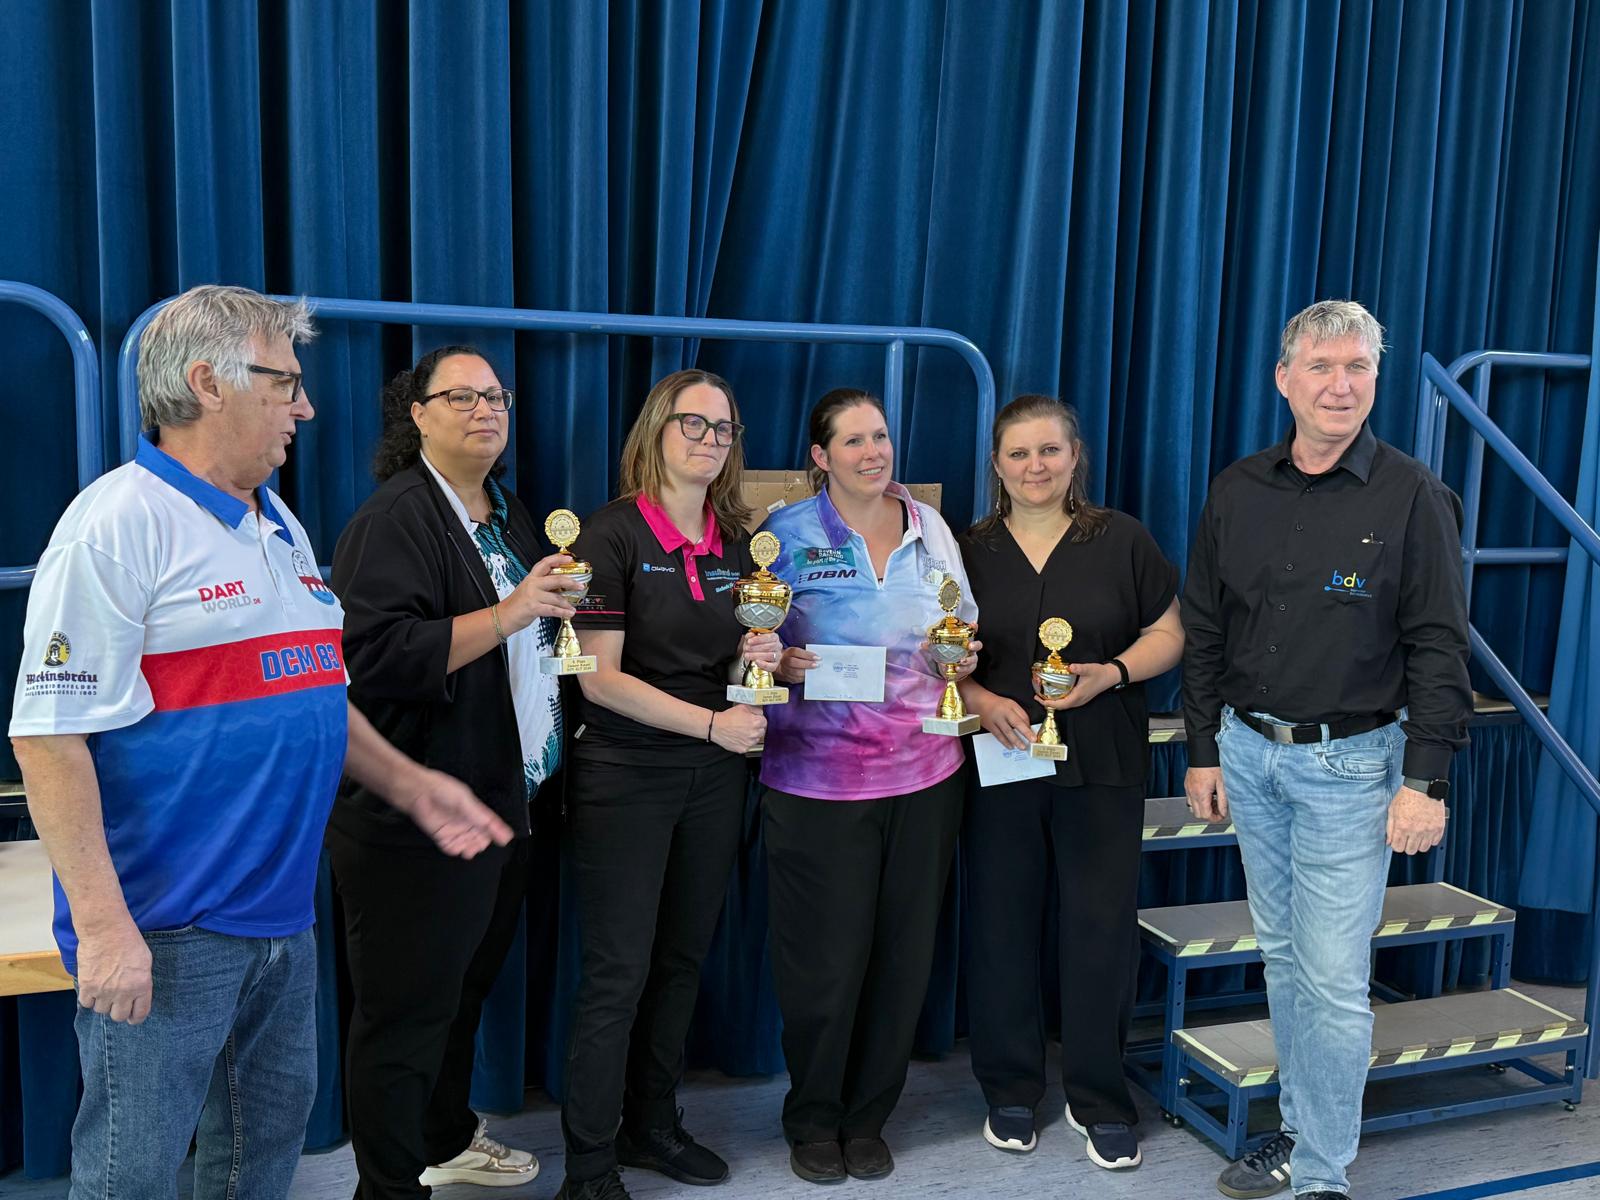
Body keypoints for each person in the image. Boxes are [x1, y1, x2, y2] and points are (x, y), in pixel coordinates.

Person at [8, 286, 510, 1200]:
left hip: (282, 915)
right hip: (167, 927)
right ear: (208, 383)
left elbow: (315, 694)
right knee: (131, 1176)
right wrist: (108, 929)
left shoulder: (278, 526)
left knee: (262, 1152)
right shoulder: (116, 525)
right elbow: (48, 739)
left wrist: (411, 784)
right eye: (285, 384)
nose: (305, 408)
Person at [1181, 300, 1471, 1200]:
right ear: (1285, 378)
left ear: (1375, 380)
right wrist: (1202, 748)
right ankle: (1301, 1130)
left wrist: (1425, 779)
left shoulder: (1413, 495)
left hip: (1352, 768)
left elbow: (1439, 646)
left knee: (1335, 981)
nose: (1340, 386)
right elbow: (1205, 627)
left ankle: (1320, 1175)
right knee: (1282, 960)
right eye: (1321, 366)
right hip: (1248, 754)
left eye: (1358, 368)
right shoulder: (1237, 489)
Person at [328, 346, 578, 1197]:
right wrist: (510, 613)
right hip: (415, 820)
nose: (485, 409)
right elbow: (370, 656)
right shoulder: (394, 518)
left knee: (461, 995)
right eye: (461, 396)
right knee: (403, 1020)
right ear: (417, 414)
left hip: (503, 804)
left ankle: (444, 1139)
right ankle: (388, 1189)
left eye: (495, 396)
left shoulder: (508, 512)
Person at [556, 369, 777, 1200]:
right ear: (656, 428)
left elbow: (727, 663)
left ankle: (651, 1127)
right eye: (694, 424)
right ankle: (588, 1169)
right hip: (626, 776)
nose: (710, 441)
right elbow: (600, 681)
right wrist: (715, 725)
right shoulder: (610, 535)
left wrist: (759, 661)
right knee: (618, 973)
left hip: (711, 778)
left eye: (724, 429)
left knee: (681, 961)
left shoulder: (736, 541)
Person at [955, 395, 1183, 1170]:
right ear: (996, 464)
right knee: (1001, 926)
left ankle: (1100, 1097)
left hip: (1103, 761)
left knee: (1099, 928)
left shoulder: (1121, 538)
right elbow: (940, 650)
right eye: (1018, 454)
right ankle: (1010, 1089)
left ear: (1075, 455)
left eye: (1049, 450)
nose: (1035, 467)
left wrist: (1111, 673)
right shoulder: (968, 549)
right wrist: (979, 698)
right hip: (1002, 760)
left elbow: (1170, 633)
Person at [759, 388, 977, 1185]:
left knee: (901, 959)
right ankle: (814, 1118)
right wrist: (779, 661)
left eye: (880, 436)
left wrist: (964, 655)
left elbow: (964, 627)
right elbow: (751, 644)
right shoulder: (783, 534)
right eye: (852, 440)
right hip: (815, 783)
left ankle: (868, 1117)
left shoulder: (930, 528)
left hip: (925, 776)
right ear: (821, 456)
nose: (872, 452)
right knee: (823, 965)